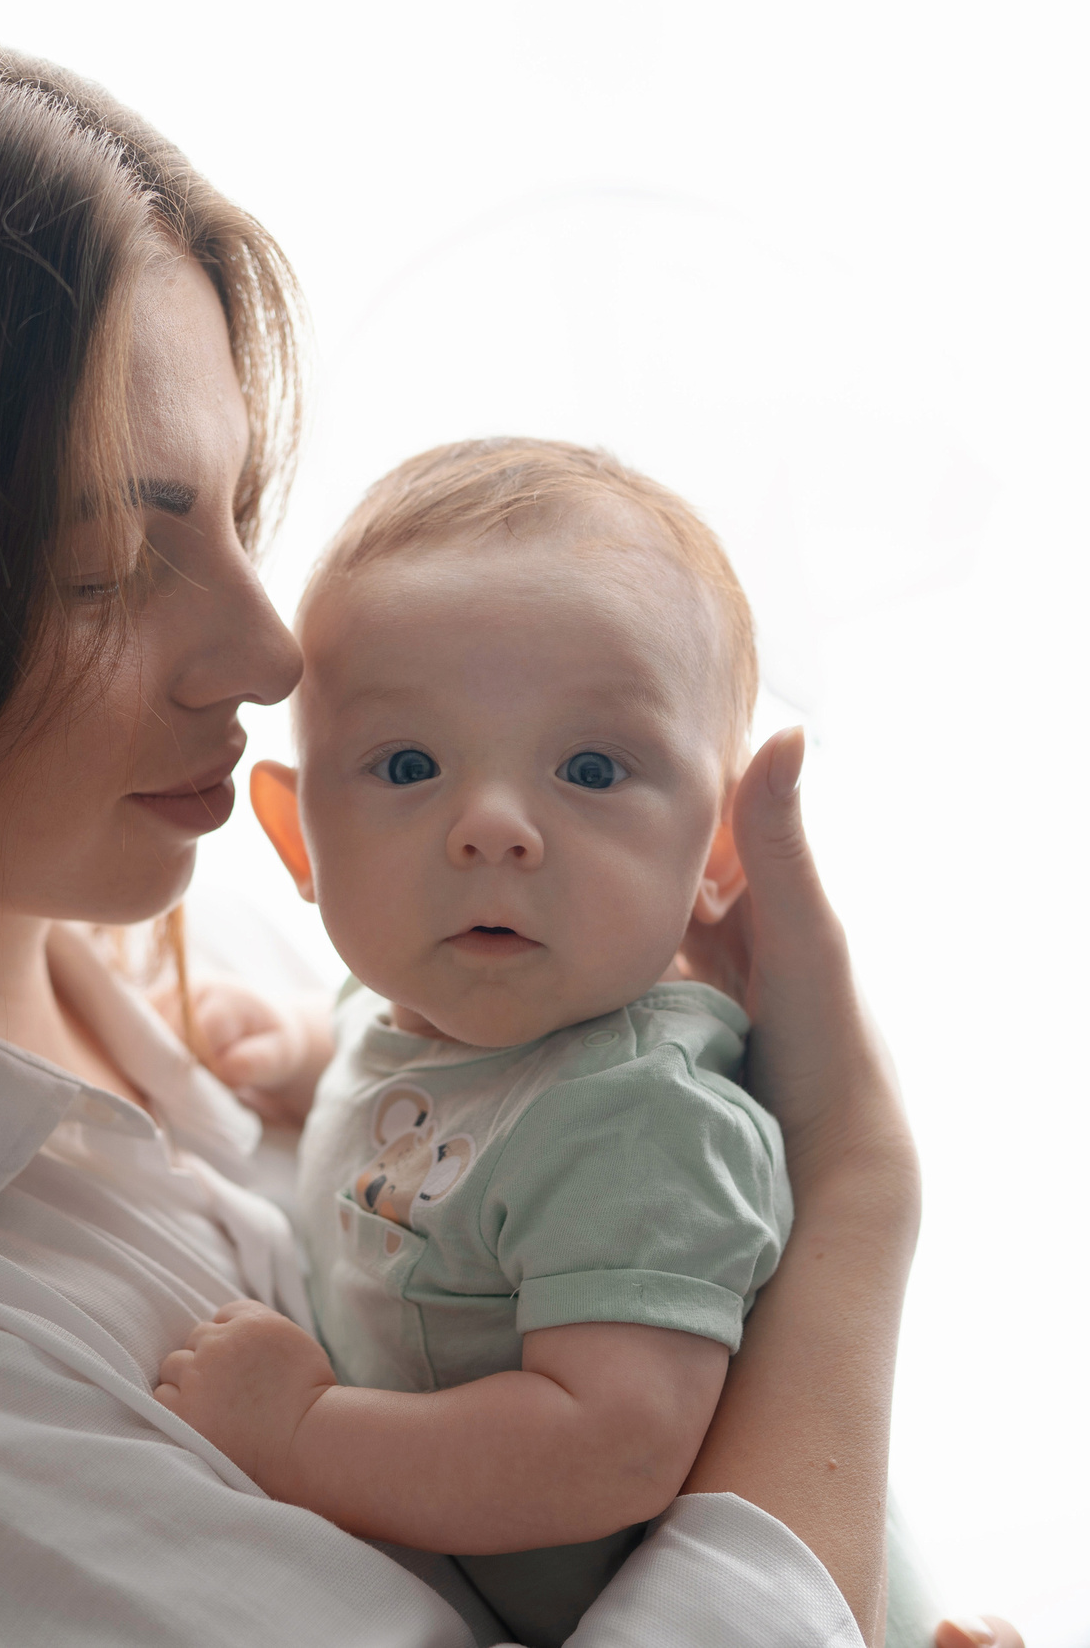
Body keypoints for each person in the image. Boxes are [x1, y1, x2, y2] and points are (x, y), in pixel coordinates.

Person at [0, 14, 1021, 1648]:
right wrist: (856, 1191)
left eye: (241, 513)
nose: (272, 651)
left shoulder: (267, 979)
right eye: (113, 558)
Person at [150, 438, 939, 1648]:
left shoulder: (640, 1121)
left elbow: (608, 1446)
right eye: (408, 764)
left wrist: (304, 1433)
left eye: (589, 767)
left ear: (718, 852)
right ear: (301, 838)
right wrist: (307, 1055)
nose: (492, 827)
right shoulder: (416, 1007)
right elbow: (416, 1095)